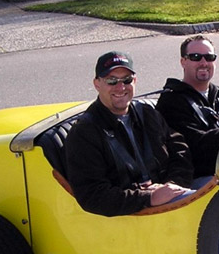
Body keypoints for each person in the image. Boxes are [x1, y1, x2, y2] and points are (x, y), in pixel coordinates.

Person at [64, 50, 194, 216]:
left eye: (127, 80)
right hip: (130, 215)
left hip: (171, 200)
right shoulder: (84, 133)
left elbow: (180, 150)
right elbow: (93, 195)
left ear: (135, 81)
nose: (121, 87)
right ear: (97, 84)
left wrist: (173, 185)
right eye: (112, 81)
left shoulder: (148, 113)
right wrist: (149, 198)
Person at [156, 35, 219, 178]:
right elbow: (195, 148)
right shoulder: (171, 101)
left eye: (209, 57)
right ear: (183, 61)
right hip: (197, 181)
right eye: (196, 57)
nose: (204, 62)